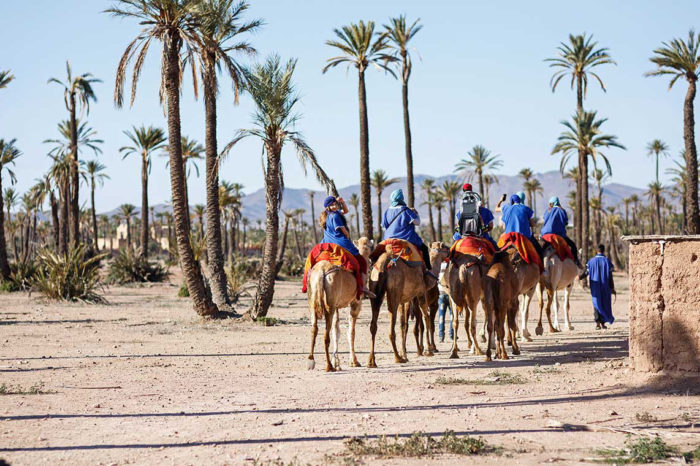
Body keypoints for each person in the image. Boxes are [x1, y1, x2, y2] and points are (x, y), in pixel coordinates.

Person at [319, 195, 372, 296]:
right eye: (332, 205)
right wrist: (347, 235)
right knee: (362, 262)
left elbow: (345, 211)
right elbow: (345, 232)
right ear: (328, 207)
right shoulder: (335, 216)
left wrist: (342, 203)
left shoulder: (328, 215)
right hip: (340, 242)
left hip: (327, 242)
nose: (335, 206)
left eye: (335, 204)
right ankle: (363, 287)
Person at [382, 188, 434, 273]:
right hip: (406, 239)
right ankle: (429, 271)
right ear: (401, 198)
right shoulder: (406, 210)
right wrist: (416, 214)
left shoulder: (387, 211)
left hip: (388, 240)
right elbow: (417, 222)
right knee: (424, 249)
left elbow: (384, 226)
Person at [497, 194, 545, 261]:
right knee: (539, 251)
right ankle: (542, 268)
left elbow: (497, 208)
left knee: (496, 250)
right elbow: (532, 224)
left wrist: (501, 200)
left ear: (511, 202)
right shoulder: (526, 208)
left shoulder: (506, 208)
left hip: (509, 236)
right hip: (524, 237)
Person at [541, 196, 583, 268]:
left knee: (540, 250)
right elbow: (566, 222)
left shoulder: (548, 210)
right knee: (572, 245)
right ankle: (576, 261)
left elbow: (545, 219)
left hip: (545, 235)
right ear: (558, 202)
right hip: (558, 235)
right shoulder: (561, 210)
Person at [454, 183, 497, 248]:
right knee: (495, 248)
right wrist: (484, 229)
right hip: (481, 236)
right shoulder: (486, 211)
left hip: (462, 236)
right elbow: (490, 226)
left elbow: (458, 225)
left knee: (453, 246)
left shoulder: (460, 212)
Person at [587, 244, 615, 329]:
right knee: (604, 303)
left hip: (595, 286)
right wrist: (612, 287)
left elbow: (585, 273)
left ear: (596, 251)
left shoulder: (591, 261)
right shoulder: (607, 261)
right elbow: (610, 276)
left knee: (596, 303)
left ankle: (597, 323)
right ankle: (603, 323)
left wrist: (579, 277)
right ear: (604, 250)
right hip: (605, 286)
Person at [437, 261, 453, 342]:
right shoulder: (451, 265)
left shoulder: (439, 265)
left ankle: (441, 335)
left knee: (441, 316)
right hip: (450, 294)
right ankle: (452, 334)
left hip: (441, 294)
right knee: (452, 315)